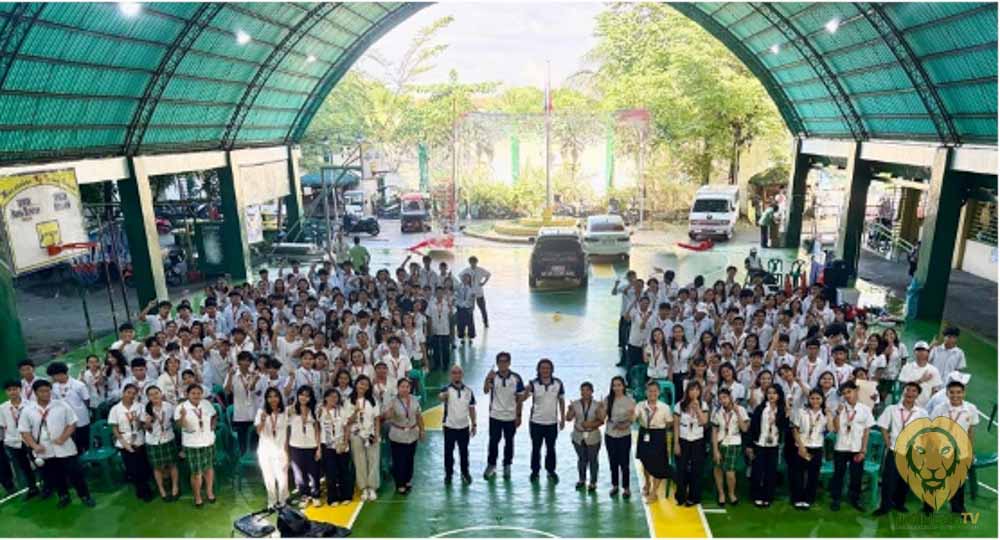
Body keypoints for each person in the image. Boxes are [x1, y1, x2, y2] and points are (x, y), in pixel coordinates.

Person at [18, 379, 95, 507]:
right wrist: (34, 446)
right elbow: (24, 431)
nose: (46, 394)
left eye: (48, 391)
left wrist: (63, 438)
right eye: (42, 391)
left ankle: (85, 496)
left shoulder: (61, 405)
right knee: (55, 474)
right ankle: (63, 496)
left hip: (65, 446)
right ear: (35, 393)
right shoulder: (28, 410)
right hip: (45, 449)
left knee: (75, 473)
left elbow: (72, 423)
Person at [873, 382, 926, 516]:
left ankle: (899, 503)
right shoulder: (892, 409)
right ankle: (884, 506)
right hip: (894, 449)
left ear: (917, 395)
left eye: (914, 391)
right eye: (908, 390)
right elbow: (883, 426)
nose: (910, 393)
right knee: (889, 479)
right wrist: (887, 442)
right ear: (903, 392)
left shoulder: (922, 413)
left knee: (905, 480)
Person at [929, 380, 979, 515]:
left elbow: (970, 432)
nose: (955, 396)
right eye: (952, 392)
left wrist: (971, 451)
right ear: (947, 393)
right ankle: (929, 506)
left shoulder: (971, 409)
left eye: (958, 392)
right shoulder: (940, 409)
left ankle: (958, 508)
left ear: (964, 393)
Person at [829, 381, 875, 511]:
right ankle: (836, 499)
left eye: (849, 392)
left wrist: (863, 450)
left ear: (856, 391)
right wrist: (837, 414)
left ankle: (855, 499)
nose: (847, 395)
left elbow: (866, 432)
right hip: (841, 447)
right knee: (838, 474)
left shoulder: (865, 409)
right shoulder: (840, 408)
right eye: (844, 393)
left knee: (856, 475)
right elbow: (836, 429)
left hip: (857, 448)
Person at [521, 358, 565, 483]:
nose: (545, 370)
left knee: (551, 448)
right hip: (536, 422)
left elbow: (561, 401)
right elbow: (522, 399)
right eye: (543, 368)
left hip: (552, 423)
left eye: (547, 368)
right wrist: (526, 391)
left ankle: (551, 471)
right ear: (538, 370)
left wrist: (562, 418)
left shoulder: (558, 383)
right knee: (536, 448)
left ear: (551, 370)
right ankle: (535, 471)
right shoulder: (533, 384)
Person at [108, 383, 154, 501]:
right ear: (123, 393)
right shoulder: (115, 409)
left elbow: (143, 425)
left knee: (142, 466)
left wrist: (138, 421)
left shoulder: (140, 406)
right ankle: (139, 488)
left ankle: (146, 490)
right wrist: (123, 442)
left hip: (138, 439)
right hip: (124, 440)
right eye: (129, 392)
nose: (131, 395)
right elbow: (114, 428)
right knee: (132, 468)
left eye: (134, 393)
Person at [174, 384, 217, 507]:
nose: (196, 395)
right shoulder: (181, 407)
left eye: (199, 393)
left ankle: (209, 492)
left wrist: (212, 427)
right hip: (192, 444)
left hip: (208, 441)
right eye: (193, 393)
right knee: (196, 473)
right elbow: (179, 426)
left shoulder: (206, 404)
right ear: (187, 394)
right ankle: (197, 497)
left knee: (209, 468)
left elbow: (214, 415)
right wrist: (183, 416)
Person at [482, 352, 523, 479]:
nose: (503, 364)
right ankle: (491, 465)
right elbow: (485, 390)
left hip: (510, 417)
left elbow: (520, 398)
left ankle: (507, 465)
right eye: (500, 361)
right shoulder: (493, 377)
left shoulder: (516, 378)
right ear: (497, 363)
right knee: (493, 441)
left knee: (509, 441)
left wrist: (519, 415)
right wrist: (487, 379)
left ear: (509, 363)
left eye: (505, 361)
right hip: (495, 415)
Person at [790, 389, 832, 509]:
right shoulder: (801, 412)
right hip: (802, 446)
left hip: (816, 447)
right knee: (798, 474)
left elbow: (831, 429)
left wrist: (829, 415)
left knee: (813, 475)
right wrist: (801, 446)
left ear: (822, 400)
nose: (815, 401)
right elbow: (795, 430)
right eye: (812, 398)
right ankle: (797, 498)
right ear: (808, 399)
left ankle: (809, 498)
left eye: (818, 398)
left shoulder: (824, 414)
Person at [749, 384, 788, 507]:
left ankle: (768, 496)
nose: (771, 395)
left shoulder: (782, 409)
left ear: (779, 395)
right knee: (758, 471)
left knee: (771, 472)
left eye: (774, 393)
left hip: (774, 444)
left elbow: (784, 427)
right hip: (759, 443)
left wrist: (779, 418)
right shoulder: (760, 408)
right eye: (769, 393)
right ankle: (756, 495)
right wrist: (750, 445)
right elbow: (753, 427)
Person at [385, 378, 424, 494]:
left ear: (410, 388)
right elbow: (387, 416)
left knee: (409, 459)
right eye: (402, 386)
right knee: (399, 460)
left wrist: (422, 430)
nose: (405, 389)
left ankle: (407, 480)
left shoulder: (414, 399)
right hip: (398, 434)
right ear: (398, 388)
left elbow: (418, 416)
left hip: (412, 433)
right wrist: (389, 412)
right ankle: (400, 483)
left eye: (407, 387)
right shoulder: (393, 401)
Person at [1, 380, 40, 498]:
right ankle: (32, 488)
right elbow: (2, 426)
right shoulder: (2, 408)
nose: (12, 392)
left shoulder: (30, 405)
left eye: (15, 389)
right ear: (6, 392)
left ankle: (48, 485)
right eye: (9, 390)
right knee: (24, 467)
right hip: (12, 442)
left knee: (39, 462)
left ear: (20, 389)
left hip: (30, 440)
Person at [673, 380, 709, 506]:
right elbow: (676, 425)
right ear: (687, 391)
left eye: (697, 390)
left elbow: (704, 422)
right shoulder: (679, 405)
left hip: (698, 440)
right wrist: (676, 443)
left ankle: (694, 497)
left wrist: (697, 409)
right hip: (683, 440)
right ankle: (681, 495)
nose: (694, 392)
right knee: (681, 469)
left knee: (696, 470)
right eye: (692, 389)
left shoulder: (703, 405)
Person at [712, 388, 749, 506]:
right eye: (720, 398)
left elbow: (744, 429)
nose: (722, 401)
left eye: (725, 397)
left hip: (734, 442)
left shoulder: (741, 409)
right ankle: (721, 494)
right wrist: (715, 450)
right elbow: (714, 431)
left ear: (730, 397)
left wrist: (737, 413)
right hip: (720, 441)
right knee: (718, 468)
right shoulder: (717, 411)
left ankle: (731, 494)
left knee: (730, 471)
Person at [439, 365, 476, 485]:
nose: (456, 375)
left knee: (464, 452)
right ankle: (448, 474)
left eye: (459, 372)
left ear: (462, 375)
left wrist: (474, 424)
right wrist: (443, 396)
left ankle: (465, 473)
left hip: (464, 427)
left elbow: (471, 409)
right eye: (454, 373)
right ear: (451, 375)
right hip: (449, 426)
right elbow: (441, 397)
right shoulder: (446, 389)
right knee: (448, 453)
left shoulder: (468, 391)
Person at [143, 386, 180, 502]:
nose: (154, 396)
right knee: (157, 467)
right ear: (148, 397)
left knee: (172, 464)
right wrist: (148, 423)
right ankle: (161, 490)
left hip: (168, 438)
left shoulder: (168, 406)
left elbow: (175, 420)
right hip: (153, 441)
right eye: (151, 394)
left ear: (161, 393)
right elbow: (146, 429)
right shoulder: (145, 409)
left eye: (156, 393)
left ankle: (175, 487)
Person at [566, 381, 605, 492]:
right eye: (582, 390)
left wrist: (591, 423)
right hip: (578, 436)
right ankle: (582, 479)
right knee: (581, 459)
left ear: (592, 392)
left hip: (593, 436)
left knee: (593, 460)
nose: (584, 392)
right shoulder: (575, 404)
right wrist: (570, 410)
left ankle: (593, 482)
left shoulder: (597, 404)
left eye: (587, 390)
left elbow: (601, 421)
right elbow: (568, 418)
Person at [637, 381, 671, 503]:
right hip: (644, 433)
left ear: (659, 392)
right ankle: (647, 483)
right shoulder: (640, 405)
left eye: (655, 391)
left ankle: (654, 492)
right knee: (644, 460)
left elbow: (669, 423)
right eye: (650, 391)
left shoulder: (665, 407)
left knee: (659, 464)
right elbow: (634, 417)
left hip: (658, 435)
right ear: (646, 392)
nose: (652, 393)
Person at [47, 362, 91, 455]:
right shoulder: (54, 387)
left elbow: (86, 400)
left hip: (80, 418)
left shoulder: (79, 385)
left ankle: (89, 458)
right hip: (65, 419)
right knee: (72, 443)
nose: (53, 378)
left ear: (61, 374)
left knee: (84, 441)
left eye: (54, 376)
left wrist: (81, 410)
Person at [288, 386, 322, 507]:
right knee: (299, 474)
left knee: (314, 472)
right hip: (296, 445)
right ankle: (304, 495)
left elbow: (317, 430)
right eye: (301, 394)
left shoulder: (314, 410)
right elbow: (286, 429)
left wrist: (318, 448)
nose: (304, 397)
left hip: (311, 445)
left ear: (310, 398)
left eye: (307, 395)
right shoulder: (291, 410)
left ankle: (316, 495)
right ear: (297, 396)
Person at [319, 388, 353, 506]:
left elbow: (347, 427)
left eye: (336, 397)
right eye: (331, 396)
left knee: (344, 471)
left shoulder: (341, 411)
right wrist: (318, 447)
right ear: (326, 398)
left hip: (340, 444)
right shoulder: (320, 411)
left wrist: (346, 442)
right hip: (327, 445)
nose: (334, 399)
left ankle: (346, 495)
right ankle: (332, 498)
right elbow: (317, 428)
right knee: (330, 473)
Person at [351, 375, 382, 501]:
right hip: (356, 434)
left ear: (369, 387)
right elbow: (347, 421)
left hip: (371, 434)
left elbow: (377, 419)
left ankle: (372, 487)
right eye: (361, 383)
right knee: (359, 461)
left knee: (373, 460)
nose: (363, 386)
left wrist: (377, 434)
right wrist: (355, 411)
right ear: (356, 384)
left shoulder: (373, 400)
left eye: (366, 384)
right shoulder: (349, 401)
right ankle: (363, 487)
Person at [604, 376, 635, 498]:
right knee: (613, 462)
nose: (616, 388)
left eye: (619, 385)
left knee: (624, 463)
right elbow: (602, 416)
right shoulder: (608, 399)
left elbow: (632, 418)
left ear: (623, 386)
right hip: (610, 435)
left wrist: (624, 425)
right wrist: (600, 410)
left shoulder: (630, 401)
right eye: (614, 385)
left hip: (624, 435)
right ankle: (615, 485)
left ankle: (626, 487)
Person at [226, 351, 260, 455]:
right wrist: (230, 376)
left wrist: (255, 380)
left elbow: (256, 391)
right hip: (240, 413)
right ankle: (242, 458)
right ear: (239, 362)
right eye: (244, 360)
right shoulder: (233, 375)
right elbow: (227, 391)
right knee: (242, 440)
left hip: (253, 412)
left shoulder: (254, 375)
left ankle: (254, 459)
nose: (246, 363)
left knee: (254, 439)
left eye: (249, 361)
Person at [459, 256, 491, 328]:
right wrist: (465, 283)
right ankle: (469, 324)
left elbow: (488, 274)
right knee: (470, 309)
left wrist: (484, 283)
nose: (473, 264)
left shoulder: (480, 270)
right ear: (469, 262)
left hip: (479, 292)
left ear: (476, 262)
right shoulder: (467, 270)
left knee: (482, 308)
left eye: (474, 262)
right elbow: (460, 275)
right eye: (471, 262)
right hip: (470, 293)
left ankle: (485, 323)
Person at [455, 272, 477, 343]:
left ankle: (470, 337)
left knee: (470, 323)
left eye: (467, 278)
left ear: (469, 279)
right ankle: (462, 337)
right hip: (460, 306)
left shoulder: (472, 287)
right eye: (464, 277)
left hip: (468, 307)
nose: (465, 279)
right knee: (461, 323)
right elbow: (455, 294)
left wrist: (473, 307)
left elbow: (473, 298)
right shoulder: (459, 286)